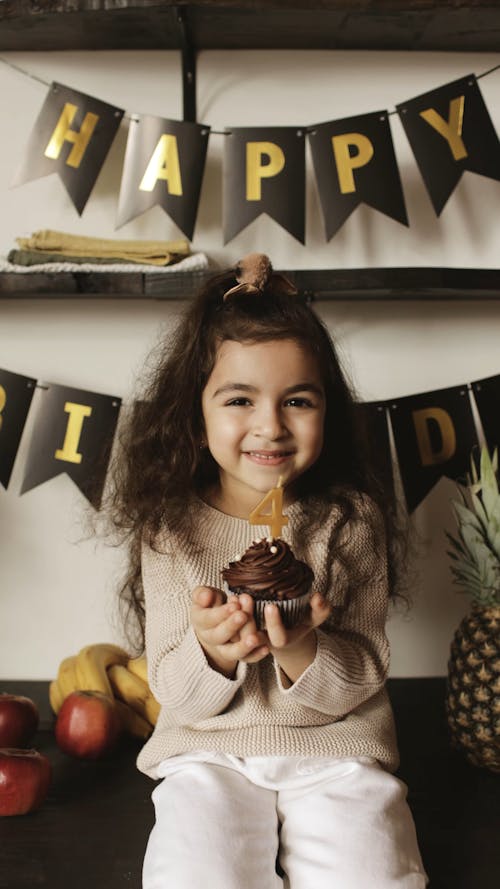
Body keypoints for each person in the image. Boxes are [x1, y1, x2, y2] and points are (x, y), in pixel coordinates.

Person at [108, 253, 427, 888]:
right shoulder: (171, 529)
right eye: (239, 399)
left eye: (298, 400)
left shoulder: (349, 521)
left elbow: (363, 673)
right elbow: (174, 690)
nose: (270, 426)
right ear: (195, 417)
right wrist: (213, 652)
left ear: (327, 410)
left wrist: (306, 648)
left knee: (375, 876)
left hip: (335, 751)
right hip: (208, 755)